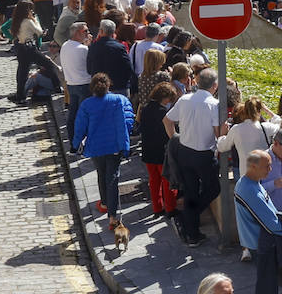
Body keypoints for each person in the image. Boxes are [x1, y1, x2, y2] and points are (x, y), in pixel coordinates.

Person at [164, 68, 229, 248]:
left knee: (191, 192)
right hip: (203, 155)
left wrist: (175, 138)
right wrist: (225, 130)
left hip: (185, 152)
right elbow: (218, 134)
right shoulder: (214, 104)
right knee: (213, 188)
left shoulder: (184, 99)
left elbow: (167, 120)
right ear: (214, 86)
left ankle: (192, 233)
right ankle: (188, 220)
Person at [233, 150, 282, 294]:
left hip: (259, 243)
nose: (270, 170)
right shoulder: (249, 189)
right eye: (267, 166)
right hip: (261, 244)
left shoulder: (251, 183)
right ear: (253, 166)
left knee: (269, 285)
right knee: (265, 287)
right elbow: (270, 222)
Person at [74, 73, 135, 228]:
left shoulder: (87, 104)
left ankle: (105, 203)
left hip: (95, 147)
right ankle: (113, 216)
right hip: (115, 146)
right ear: (109, 85)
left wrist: (75, 145)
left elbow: (80, 127)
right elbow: (129, 120)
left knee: (101, 174)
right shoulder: (120, 100)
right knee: (112, 178)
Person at [139, 81, 179, 216]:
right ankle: (170, 208)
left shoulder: (145, 109)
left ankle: (157, 207)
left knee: (154, 181)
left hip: (148, 150)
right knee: (167, 180)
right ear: (166, 98)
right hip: (162, 153)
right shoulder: (164, 113)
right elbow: (169, 134)